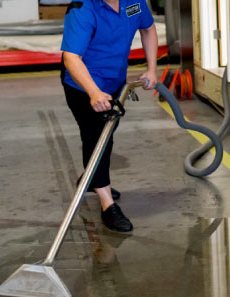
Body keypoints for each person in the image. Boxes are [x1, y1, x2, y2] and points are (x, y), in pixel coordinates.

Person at [61, 0, 158, 232]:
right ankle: (107, 206)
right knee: (97, 138)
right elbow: (71, 58)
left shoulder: (134, 3)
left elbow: (149, 29)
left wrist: (152, 68)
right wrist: (93, 93)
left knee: (106, 135)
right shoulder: (82, 9)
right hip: (83, 85)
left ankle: (92, 177)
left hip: (115, 82)